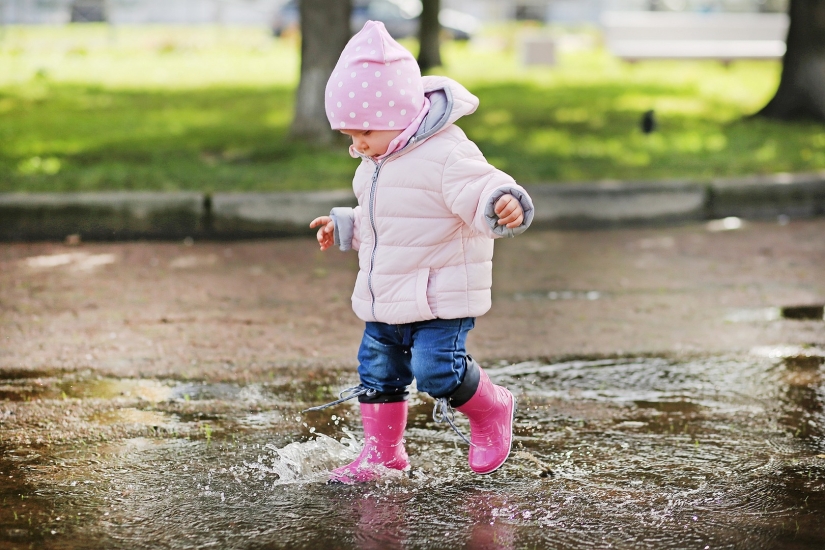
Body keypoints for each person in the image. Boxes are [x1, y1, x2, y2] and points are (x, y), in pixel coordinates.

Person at [307, 20, 535, 484]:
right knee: (377, 372)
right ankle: (383, 455)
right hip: (388, 292)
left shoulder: (447, 153)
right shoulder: (375, 159)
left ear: (401, 113)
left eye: (364, 131)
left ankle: (492, 407)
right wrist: (345, 224)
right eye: (349, 136)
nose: (357, 145)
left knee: (436, 373)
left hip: (438, 293)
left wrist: (502, 201)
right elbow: (387, 217)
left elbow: (483, 184)